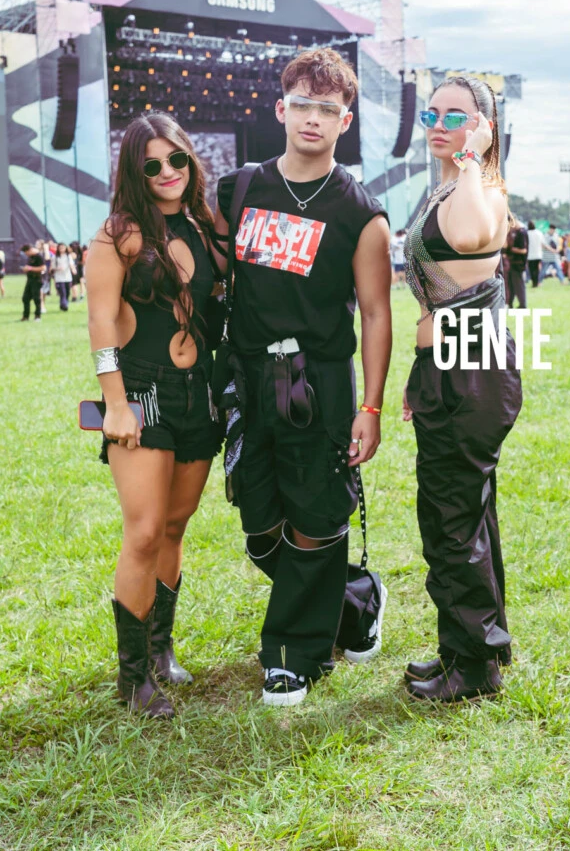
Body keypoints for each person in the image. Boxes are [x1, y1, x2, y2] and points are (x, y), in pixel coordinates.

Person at [214, 47, 392, 707]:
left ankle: (292, 655)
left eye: (327, 107)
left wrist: (370, 408)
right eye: (302, 104)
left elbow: (376, 313)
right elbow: (203, 277)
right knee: (261, 528)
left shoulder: (359, 212)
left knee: (315, 517)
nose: (312, 117)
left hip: (318, 381)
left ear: (345, 121)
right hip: (249, 376)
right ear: (280, 109)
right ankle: (353, 602)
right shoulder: (239, 190)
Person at [86, 112, 223, 719]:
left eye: (177, 159)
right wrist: (115, 402)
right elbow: (100, 323)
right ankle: (133, 677)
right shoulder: (119, 234)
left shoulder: (204, 226)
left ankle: (160, 650)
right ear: (134, 171)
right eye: (152, 164)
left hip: (199, 393)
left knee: (174, 525)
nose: (167, 171)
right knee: (143, 531)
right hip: (141, 392)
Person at [402, 75, 523, 703]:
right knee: (462, 511)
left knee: (452, 517)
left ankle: (473, 667)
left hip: (470, 365)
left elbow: (473, 237)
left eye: (457, 116)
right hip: (449, 364)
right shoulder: (452, 186)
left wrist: (474, 157)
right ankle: (471, 647)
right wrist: (419, 374)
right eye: (432, 114)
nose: (439, 125)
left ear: (483, 126)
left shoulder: (483, 188)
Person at [20, 243, 45, 321]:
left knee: (36, 298)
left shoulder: (39, 256)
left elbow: (43, 268)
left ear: (30, 250)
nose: (26, 255)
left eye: (26, 253)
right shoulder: (30, 257)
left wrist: (30, 268)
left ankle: (37, 316)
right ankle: (25, 316)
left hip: (37, 279)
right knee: (25, 298)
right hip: (30, 280)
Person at [506, 221, 527, 308]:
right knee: (511, 284)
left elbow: (524, 250)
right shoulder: (517, 232)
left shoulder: (521, 233)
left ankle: (522, 304)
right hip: (513, 262)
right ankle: (510, 303)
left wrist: (512, 249)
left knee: (519, 285)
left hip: (518, 263)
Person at [52, 243, 75, 310]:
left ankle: (64, 303)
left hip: (67, 277)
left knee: (67, 292)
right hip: (59, 277)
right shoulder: (55, 257)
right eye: (60, 247)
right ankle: (64, 304)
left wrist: (73, 270)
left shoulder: (68, 256)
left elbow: (71, 264)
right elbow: (52, 267)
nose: (61, 249)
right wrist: (57, 268)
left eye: (63, 247)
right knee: (62, 292)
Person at [526, 221, 542, 288]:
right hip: (538, 254)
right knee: (537, 269)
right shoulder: (539, 233)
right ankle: (536, 282)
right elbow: (542, 242)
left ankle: (533, 282)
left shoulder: (527, 233)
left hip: (530, 255)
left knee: (531, 269)